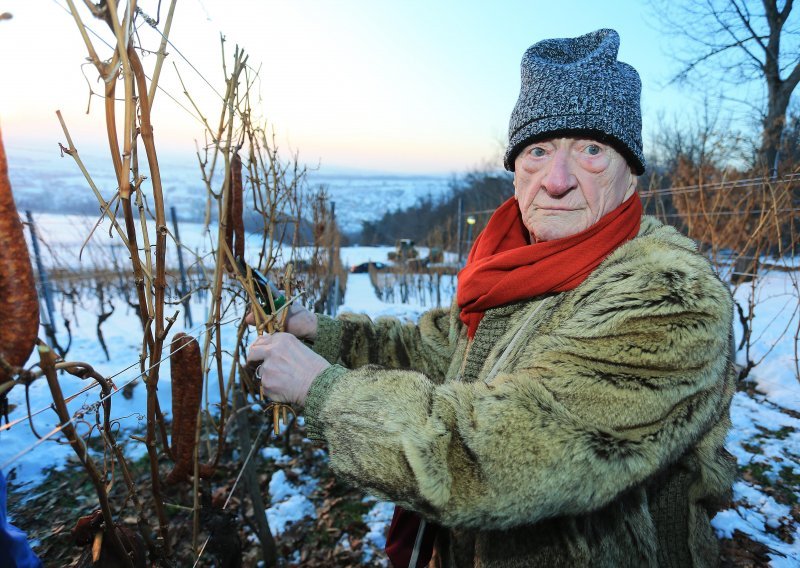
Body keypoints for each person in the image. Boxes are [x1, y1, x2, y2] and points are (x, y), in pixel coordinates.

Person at [247, 28, 736, 567]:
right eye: (538, 150)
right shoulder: (511, 266)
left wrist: (322, 391)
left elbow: (503, 456)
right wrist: (321, 333)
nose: (555, 180)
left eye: (591, 150)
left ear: (630, 175)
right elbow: (440, 352)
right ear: (515, 169)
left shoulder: (669, 299)